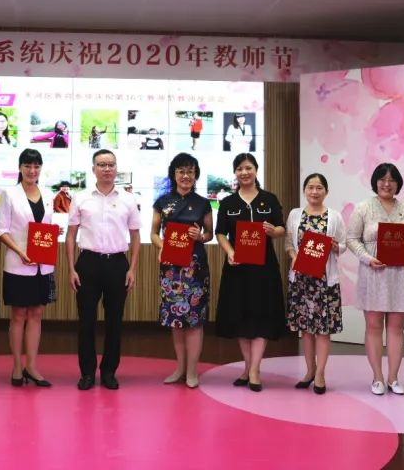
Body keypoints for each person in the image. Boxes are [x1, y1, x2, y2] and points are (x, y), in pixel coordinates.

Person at [66, 149, 141, 390]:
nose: (107, 169)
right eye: (102, 165)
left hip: (118, 264)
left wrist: (132, 269)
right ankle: (87, 373)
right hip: (87, 263)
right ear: (93, 169)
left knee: (114, 322)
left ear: (116, 168)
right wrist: (71, 269)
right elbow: (71, 235)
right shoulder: (81, 198)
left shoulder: (128, 199)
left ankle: (109, 371)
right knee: (86, 322)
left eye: (111, 164)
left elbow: (136, 236)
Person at [345, 163, 404, 396]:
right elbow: (351, 239)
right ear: (375, 182)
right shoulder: (363, 208)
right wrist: (367, 258)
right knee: (374, 327)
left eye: (392, 180)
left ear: (398, 184)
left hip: (399, 275)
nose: (387, 184)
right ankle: (377, 377)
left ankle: (393, 378)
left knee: (397, 328)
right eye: (382, 179)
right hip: (373, 273)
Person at [214, 153, 287, 392]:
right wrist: (230, 251)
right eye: (239, 169)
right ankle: (247, 367)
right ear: (235, 173)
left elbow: (282, 228)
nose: (244, 173)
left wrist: (272, 231)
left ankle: (254, 370)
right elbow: (220, 233)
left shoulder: (269, 199)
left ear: (256, 170)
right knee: (241, 318)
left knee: (261, 317)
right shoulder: (228, 203)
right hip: (237, 268)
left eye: (248, 168)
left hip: (264, 269)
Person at [150, 153, 213, 388]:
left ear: (196, 175)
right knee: (175, 318)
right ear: (173, 174)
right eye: (181, 171)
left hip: (195, 269)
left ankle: (193, 371)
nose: (186, 176)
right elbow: (154, 233)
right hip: (171, 269)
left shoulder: (203, 203)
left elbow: (209, 234)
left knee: (194, 320)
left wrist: (200, 236)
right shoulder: (162, 202)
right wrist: (162, 247)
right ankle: (180, 368)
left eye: (190, 171)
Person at [0, 149, 57, 387]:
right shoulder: (9, 194)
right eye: (27, 166)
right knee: (19, 315)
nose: (32, 171)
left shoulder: (49, 194)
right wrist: (20, 251)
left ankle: (31, 366)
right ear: (20, 168)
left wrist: (54, 233)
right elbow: (1, 229)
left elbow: (44, 226)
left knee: (36, 314)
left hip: (43, 265)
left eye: (36, 166)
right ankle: (17, 366)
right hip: (18, 263)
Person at [285, 173, 346, 395]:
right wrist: (294, 257)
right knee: (306, 330)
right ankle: (309, 371)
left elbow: (343, 245)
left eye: (319, 187)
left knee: (323, 330)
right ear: (305, 190)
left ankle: (320, 374)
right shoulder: (295, 215)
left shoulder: (334, 216)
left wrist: (335, 246)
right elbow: (289, 243)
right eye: (310, 187)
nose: (314, 191)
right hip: (301, 280)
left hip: (324, 282)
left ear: (326, 192)